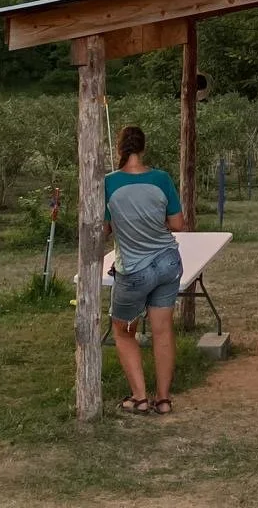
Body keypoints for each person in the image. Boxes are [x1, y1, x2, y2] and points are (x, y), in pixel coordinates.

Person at [103, 125, 186, 415]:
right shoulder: (161, 179)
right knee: (163, 331)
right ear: (143, 147)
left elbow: (104, 229)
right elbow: (177, 224)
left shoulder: (108, 183)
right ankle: (163, 399)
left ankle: (139, 397)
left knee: (124, 331)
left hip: (134, 270)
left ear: (120, 148)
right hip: (167, 262)